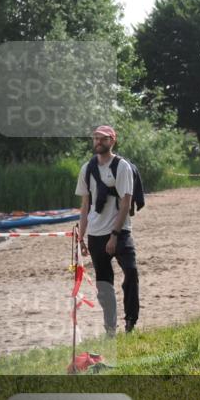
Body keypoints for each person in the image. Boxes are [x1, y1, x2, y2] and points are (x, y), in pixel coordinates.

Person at [76, 125, 139, 336]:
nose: (98, 142)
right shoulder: (87, 168)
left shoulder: (122, 167)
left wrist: (114, 235)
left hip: (120, 232)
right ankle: (110, 328)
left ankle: (130, 320)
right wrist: (81, 237)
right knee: (104, 285)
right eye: (95, 138)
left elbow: (126, 202)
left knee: (131, 272)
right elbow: (85, 205)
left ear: (112, 141)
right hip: (95, 234)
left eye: (102, 139)